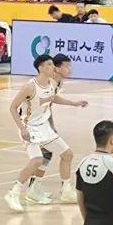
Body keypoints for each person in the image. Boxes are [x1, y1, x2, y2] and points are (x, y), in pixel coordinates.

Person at [5, 55, 75, 213]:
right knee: (37, 160)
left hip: (44, 127)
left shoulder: (52, 83)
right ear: (41, 68)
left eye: (53, 65)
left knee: (67, 154)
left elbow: (53, 98)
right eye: (49, 65)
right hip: (30, 127)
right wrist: (22, 128)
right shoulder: (30, 87)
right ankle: (13, 192)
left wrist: (73, 103)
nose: (53, 67)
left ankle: (66, 191)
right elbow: (13, 107)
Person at [24, 53, 89, 206]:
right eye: (66, 66)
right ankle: (35, 188)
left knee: (50, 153)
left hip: (43, 117)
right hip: (35, 120)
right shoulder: (48, 80)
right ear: (57, 68)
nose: (70, 69)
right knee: (50, 154)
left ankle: (36, 187)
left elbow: (52, 99)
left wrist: (73, 103)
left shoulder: (58, 81)